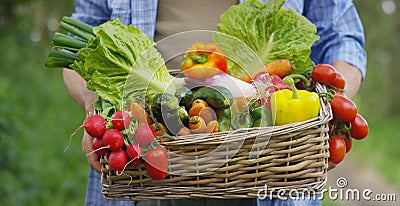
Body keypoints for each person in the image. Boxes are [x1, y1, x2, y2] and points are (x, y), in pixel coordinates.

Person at [63, 0, 367, 205]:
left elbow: (342, 35)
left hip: (269, 165)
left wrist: (330, 104)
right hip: (140, 157)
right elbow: (82, 46)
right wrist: (96, 106)